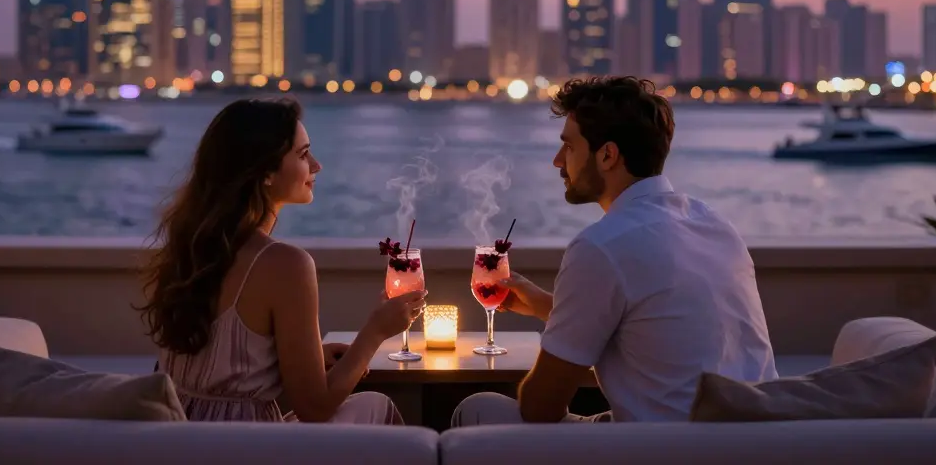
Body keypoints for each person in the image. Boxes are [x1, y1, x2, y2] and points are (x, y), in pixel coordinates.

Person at [452, 76, 776, 425]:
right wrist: (552, 308)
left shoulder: (601, 247)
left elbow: (540, 408)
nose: (557, 161)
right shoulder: (714, 225)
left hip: (664, 451)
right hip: (754, 441)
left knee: (478, 410)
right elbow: (656, 328)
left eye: (569, 146)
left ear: (607, 155)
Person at [139, 98, 423, 423]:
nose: (316, 165)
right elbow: (314, 408)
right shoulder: (285, 265)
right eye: (303, 155)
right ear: (265, 172)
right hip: (245, 448)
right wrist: (375, 331)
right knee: (376, 408)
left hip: (179, 438)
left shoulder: (189, 246)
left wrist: (303, 358)